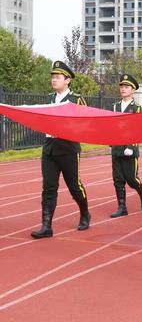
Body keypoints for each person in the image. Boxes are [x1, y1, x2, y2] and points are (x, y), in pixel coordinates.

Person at [31, 61, 91, 239]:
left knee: (74, 186)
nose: (54, 80)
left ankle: (85, 213)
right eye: (53, 77)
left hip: (68, 149)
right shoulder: (49, 99)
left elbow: (86, 121)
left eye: (57, 77)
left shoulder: (76, 99)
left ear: (67, 80)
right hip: (49, 149)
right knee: (48, 187)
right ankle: (46, 226)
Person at [109, 74, 142, 217]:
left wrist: (131, 146)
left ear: (133, 90)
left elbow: (137, 128)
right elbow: (110, 126)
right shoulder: (114, 106)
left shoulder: (136, 107)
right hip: (116, 147)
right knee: (118, 179)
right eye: (122, 86)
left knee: (131, 178)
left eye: (126, 87)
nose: (123, 89)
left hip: (129, 149)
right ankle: (122, 207)